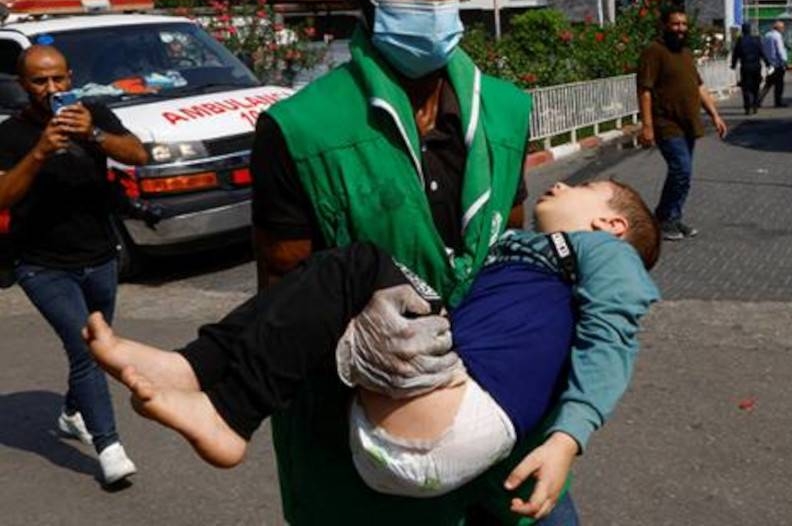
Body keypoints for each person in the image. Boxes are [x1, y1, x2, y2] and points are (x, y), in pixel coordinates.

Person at [248, 0, 581, 524]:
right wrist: (347, 344)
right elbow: (280, 301)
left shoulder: (505, 109)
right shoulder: (299, 130)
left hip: (496, 426)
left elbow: (512, 262)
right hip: (370, 459)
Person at [86, 180, 660, 513]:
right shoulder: (522, 252)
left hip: (458, 417)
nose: (560, 184)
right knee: (341, 288)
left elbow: (614, 331)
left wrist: (569, 437)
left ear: (610, 225)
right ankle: (192, 368)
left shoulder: (606, 255)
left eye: (581, 187)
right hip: (409, 429)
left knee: (356, 265)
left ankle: (226, 408)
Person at [0, 45, 149, 486]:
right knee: (88, 346)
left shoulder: (93, 114)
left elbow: (139, 155)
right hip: (40, 264)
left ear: (70, 78)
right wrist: (41, 151)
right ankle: (109, 448)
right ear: (24, 86)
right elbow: (4, 196)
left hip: (98, 256)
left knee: (93, 347)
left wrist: (95, 136)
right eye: (40, 82)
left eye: (60, 79)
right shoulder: (11, 134)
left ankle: (70, 412)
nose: (53, 89)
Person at [637, 6, 728, 242]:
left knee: (684, 175)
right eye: (676, 24)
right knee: (681, 170)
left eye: (684, 24)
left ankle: (673, 217)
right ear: (665, 25)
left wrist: (715, 115)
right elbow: (645, 90)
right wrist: (647, 126)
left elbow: (699, 87)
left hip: (688, 123)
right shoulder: (654, 52)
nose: (680, 29)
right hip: (666, 123)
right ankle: (664, 218)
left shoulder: (686, 53)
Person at [730, 22, 768, 115]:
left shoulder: (740, 40)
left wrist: (733, 65)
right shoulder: (756, 39)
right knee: (756, 86)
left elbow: (736, 54)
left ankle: (747, 107)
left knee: (746, 87)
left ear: (742, 30)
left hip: (745, 66)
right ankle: (755, 105)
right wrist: (768, 63)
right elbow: (762, 52)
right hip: (756, 66)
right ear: (750, 30)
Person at [760, 20, 788, 108]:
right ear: (779, 28)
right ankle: (778, 102)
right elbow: (780, 50)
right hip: (778, 64)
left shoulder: (767, 35)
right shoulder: (777, 36)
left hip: (769, 64)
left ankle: (758, 100)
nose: (783, 29)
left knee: (768, 83)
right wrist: (784, 61)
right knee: (779, 84)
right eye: (783, 28)